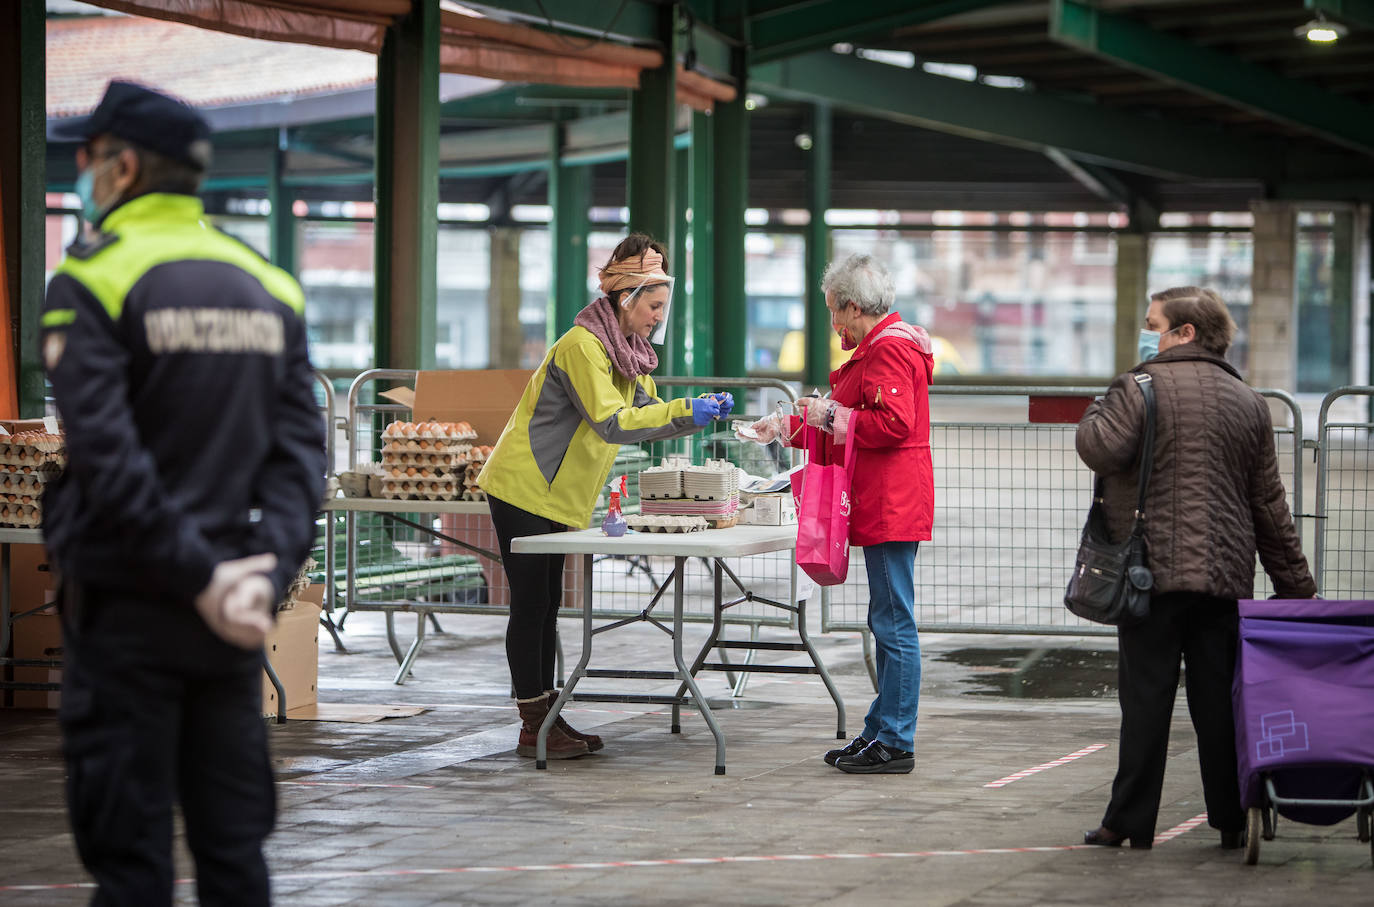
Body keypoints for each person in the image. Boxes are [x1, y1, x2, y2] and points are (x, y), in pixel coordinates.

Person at [42, 81, 326, 905]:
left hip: (131, 608)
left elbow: (107, 457)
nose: (84, 173)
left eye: (88, 159)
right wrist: (262, 575)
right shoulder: (268, 285)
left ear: (123, 167)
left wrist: (193, 573)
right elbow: (301, 451)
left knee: (131, 860)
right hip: (233, 615)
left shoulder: (93, 280)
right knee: (235, 849)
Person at [1075, 286, 1316, 850]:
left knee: (1145, 702)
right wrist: (1297, 588)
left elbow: (1098, 448)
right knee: (1218, 702)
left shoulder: (1139, 386)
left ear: (1184, 332)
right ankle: (1232, 819)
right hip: (1224, 579)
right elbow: (1269, 505)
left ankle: (1129, 823)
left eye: (1154, 323)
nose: (1147, 332)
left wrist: (1100, 403)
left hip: (1150, 576)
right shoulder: (1249, 400)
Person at [477, 234, 734, 760]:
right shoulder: (582, 347)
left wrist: (693, 411)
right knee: (532, 606)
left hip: (555, 496)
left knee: (548, 606)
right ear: (626, 299)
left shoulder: (625, 354)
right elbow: (614, 423)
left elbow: (647, 417)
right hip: (524, 489)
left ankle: (544, 718)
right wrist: (685, 410)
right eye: (655, 306)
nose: (659, 318)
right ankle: (534, 725)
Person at [742, 254, 934, 774]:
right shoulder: (881, 348)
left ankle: (895, 739)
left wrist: (828, 414)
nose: (834, 325)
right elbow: (845, 430)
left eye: (834, 313)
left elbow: (893, 424)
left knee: (893, 623)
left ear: (853, 306)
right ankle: (881, 729)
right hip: (881, 500)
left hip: (889, 503)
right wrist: (787, 429)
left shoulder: (888, 352)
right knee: (887, 620)